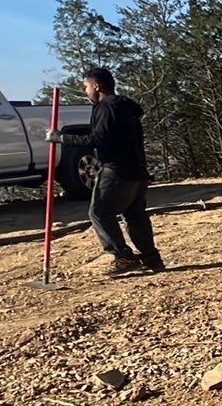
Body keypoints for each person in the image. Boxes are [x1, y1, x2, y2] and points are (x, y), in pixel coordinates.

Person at [45, 67, 164, 276]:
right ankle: (152, 258)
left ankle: (122, 256)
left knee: (99, 212)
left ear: (96, 86)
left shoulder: (107, 108)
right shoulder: (125, 106)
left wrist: (61, 138)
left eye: (86, 86)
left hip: (117, 171)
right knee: (135, 214)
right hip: (137, 170)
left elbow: (98, 139)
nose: (85, 91)